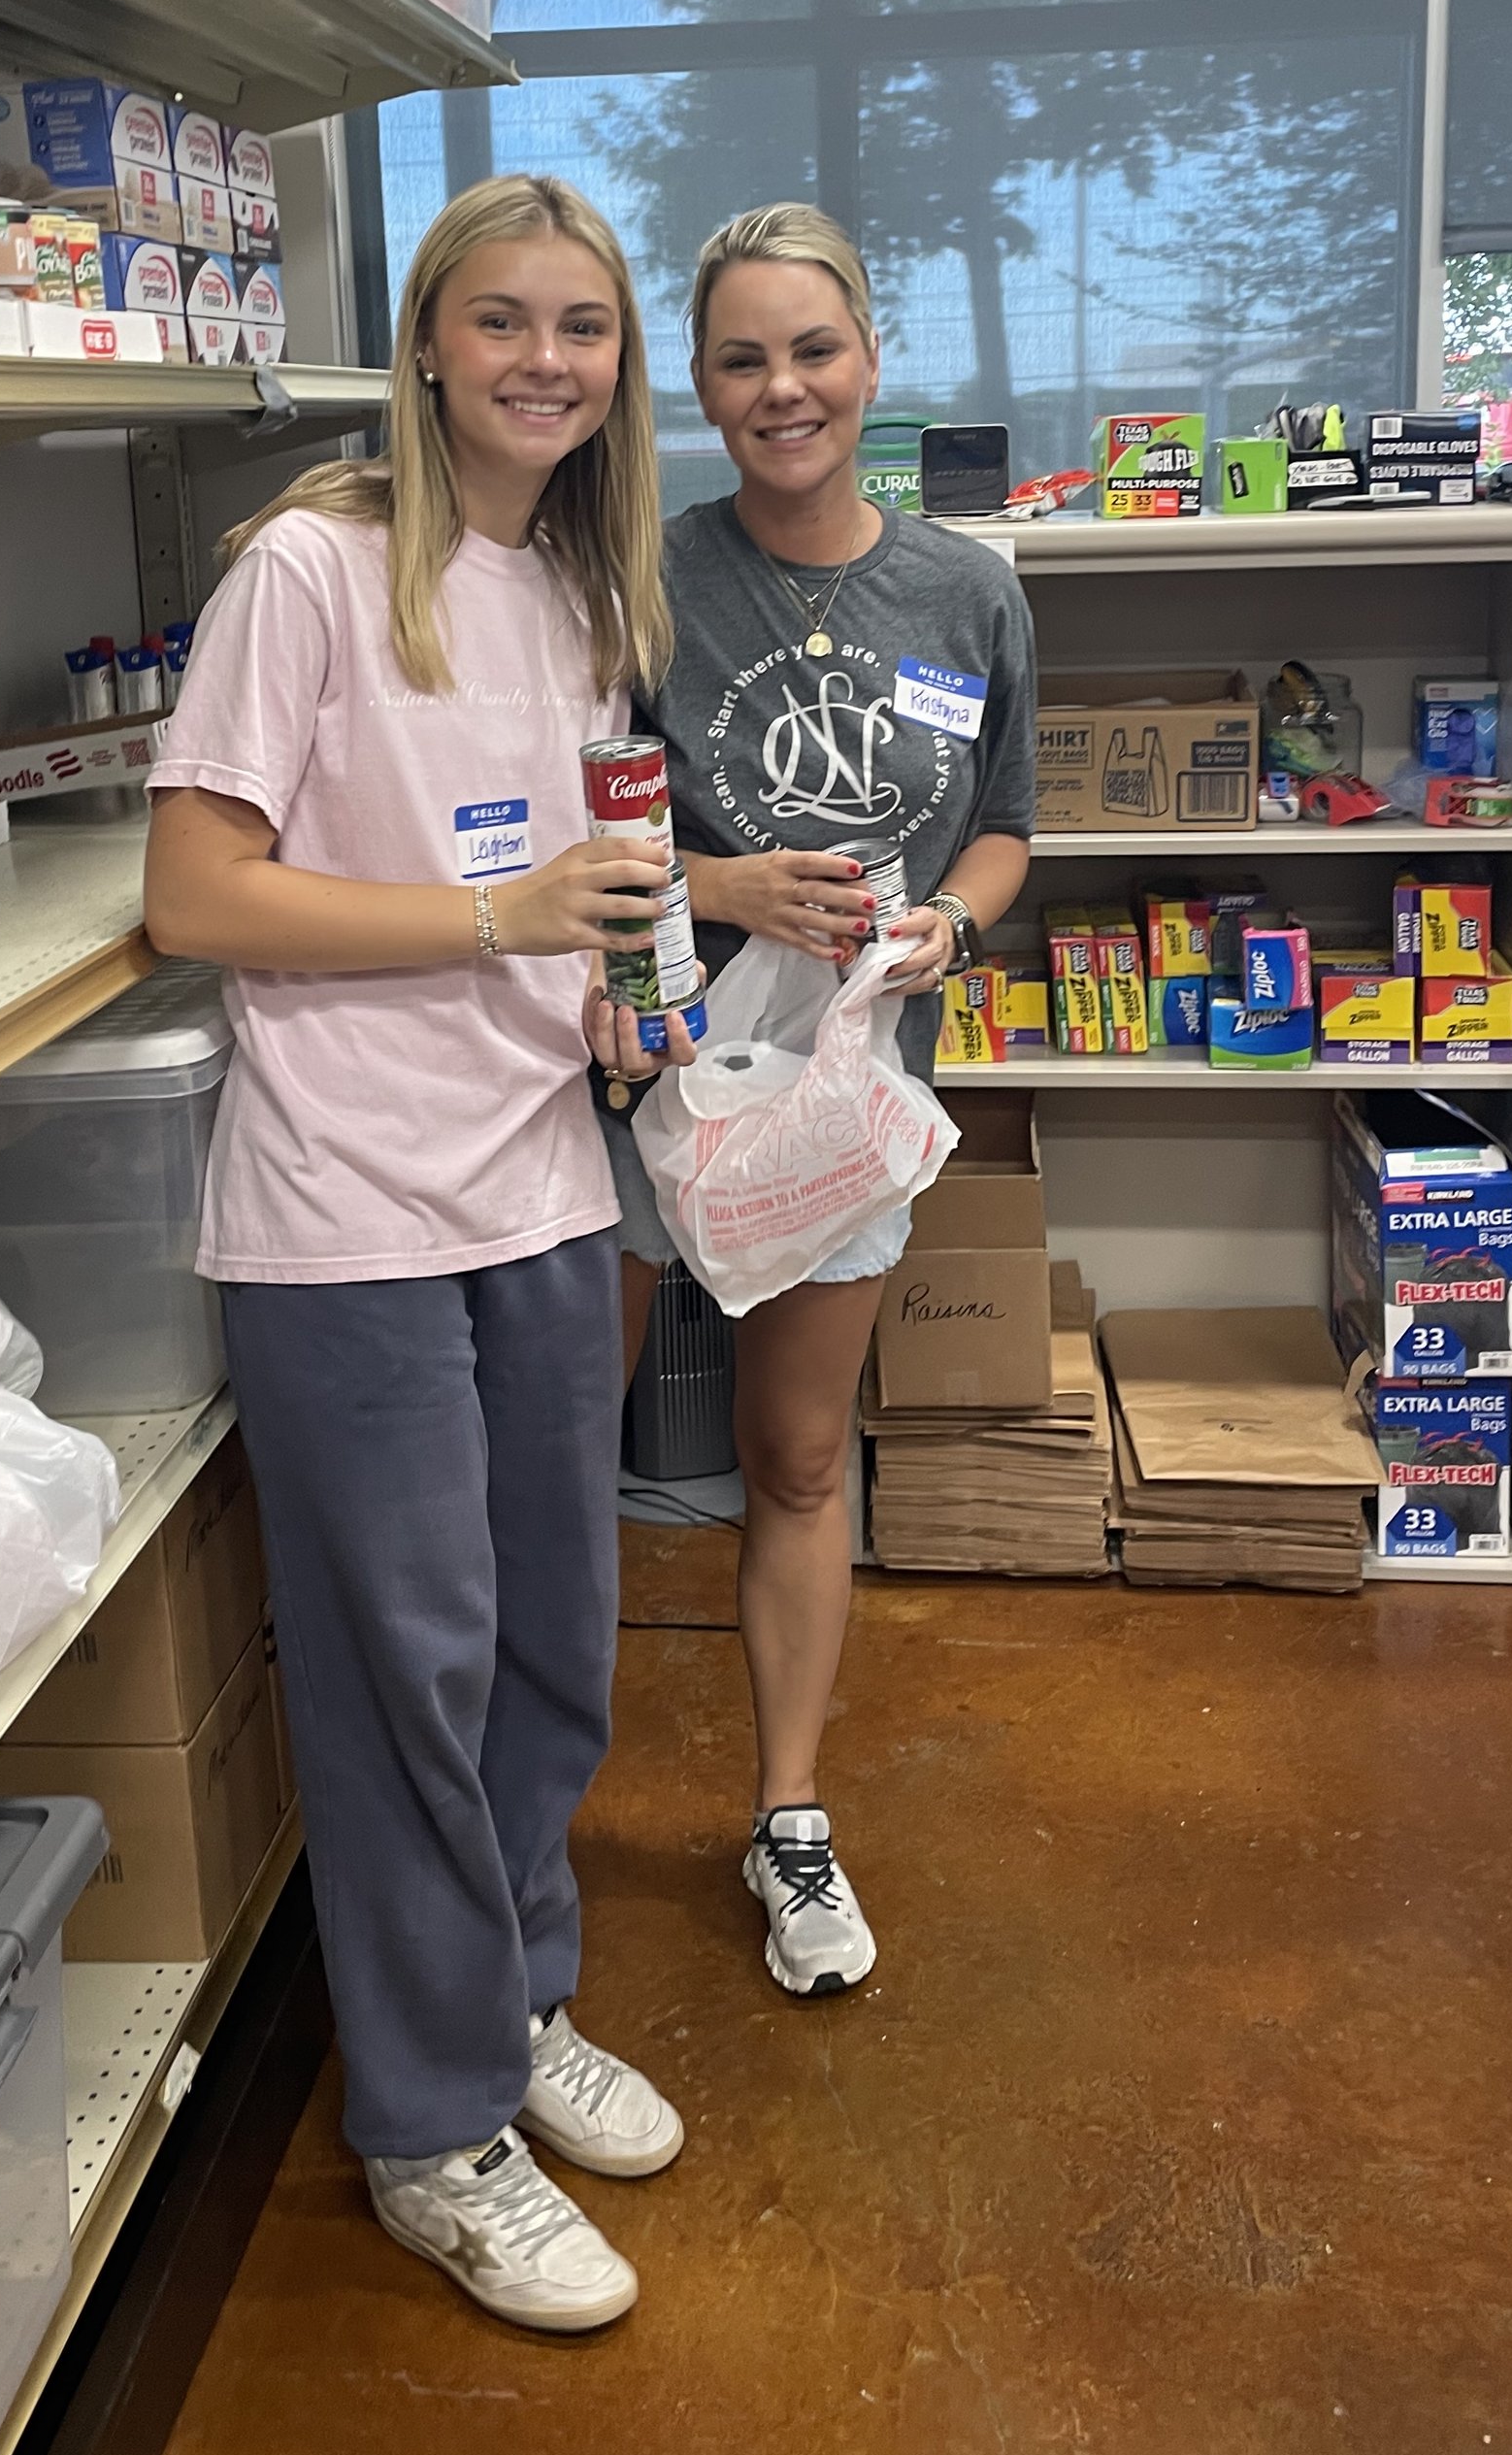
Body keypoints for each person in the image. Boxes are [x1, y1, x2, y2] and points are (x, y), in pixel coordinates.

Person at [144, 173, 692, 2337]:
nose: (544, 358)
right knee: (406, 1674)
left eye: (582, 323)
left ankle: (517, 1999)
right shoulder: (307, 566)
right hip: (347, 1219)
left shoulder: (570, 582)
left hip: (541, 1182)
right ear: (430, 342)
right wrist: (497, 917)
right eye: (502, 320)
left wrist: (616, 990)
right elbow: (199, 893)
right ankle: (428, 2121)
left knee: (554, 1638)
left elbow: (571, 877)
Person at [605, 203, 1036, 1999]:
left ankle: (789, 1819)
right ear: (698, 384)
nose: (782, 389)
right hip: (656, 1082)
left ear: (870, 358)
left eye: (813, 350)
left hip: (851, 1099)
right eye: (739, 358)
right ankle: (523, 1824)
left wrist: (954, 914)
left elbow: (1007, 826)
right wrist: (723, 890)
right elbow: (590, 814)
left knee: (793, 1455)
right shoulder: (640, 570)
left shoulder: (969, 587)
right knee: (564, 1464)